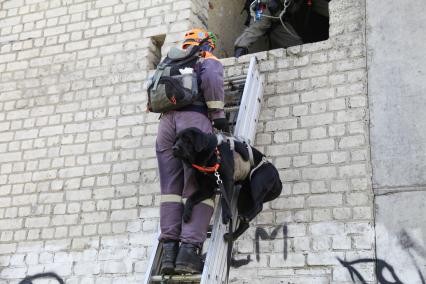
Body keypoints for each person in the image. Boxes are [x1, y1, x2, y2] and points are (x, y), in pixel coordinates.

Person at [155, 28, 228, 275]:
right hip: (193, 121)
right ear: (206, 42)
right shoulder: (205, 57)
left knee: (170, 190)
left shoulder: (169, 61)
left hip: (165, 126)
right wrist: (218, 116)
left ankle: (168, 253)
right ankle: (188, 253)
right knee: (199, 185)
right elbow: (212, 80)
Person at [234, 0, 330, 57]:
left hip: (277, 21)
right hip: (262, 6)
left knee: (296, 45)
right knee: (259, 25)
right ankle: (239, 52)